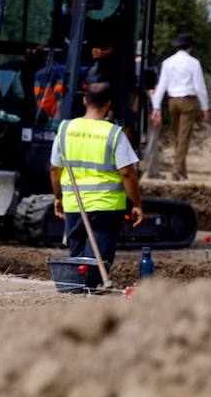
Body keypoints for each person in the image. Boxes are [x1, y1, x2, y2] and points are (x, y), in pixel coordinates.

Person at [51, 82, 143, 273]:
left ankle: (78, 290)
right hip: (106, 206)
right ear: (108, 104)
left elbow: (54, 168)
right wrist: (136, 203)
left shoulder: (65, 129)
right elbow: (127, 172)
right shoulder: (113, 133)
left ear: (85, 100)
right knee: (98, 262)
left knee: (77, 260)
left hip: (74, 203)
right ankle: (90, 292)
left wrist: (58, 197)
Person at [151, 32, 208, 180]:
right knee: (183, 137)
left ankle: (182, 170)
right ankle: (176, 170)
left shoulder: (167, 62)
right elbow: (200, 87)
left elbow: (161, 85)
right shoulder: (194, 63)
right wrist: (205, 107)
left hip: (172, 101)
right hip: (188, 101)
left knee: (178, 136)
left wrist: (156, 107)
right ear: (190, 46)